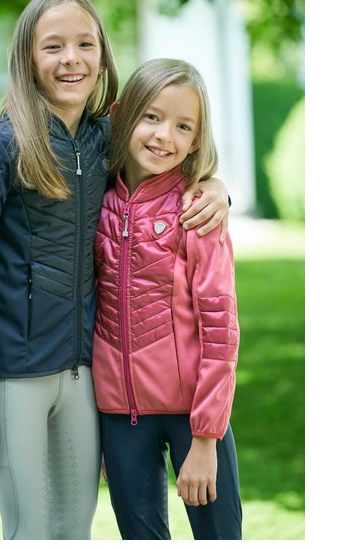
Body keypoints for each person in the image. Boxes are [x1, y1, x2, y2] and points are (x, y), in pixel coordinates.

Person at [0, 0, 231, 540]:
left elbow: (167, 158)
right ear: (28, 57)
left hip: (84, 377)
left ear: (102, 55)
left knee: (75, 530)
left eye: (84, 44)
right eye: (53, 46)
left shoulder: (106, 141)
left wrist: (216, 188)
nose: (70, 59)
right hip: (15, 373)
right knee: (29, 529)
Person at [92, 58, 242, 540]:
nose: (164, 136)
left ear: (196, 139)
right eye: (152, 117)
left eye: (183, 126)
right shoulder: (94, 202)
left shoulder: (198, 213)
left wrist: (206, 438)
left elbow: (220, 330)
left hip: (193, 418)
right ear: (121, 115)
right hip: (121, 420)